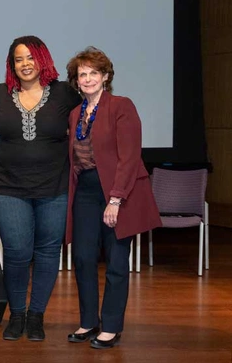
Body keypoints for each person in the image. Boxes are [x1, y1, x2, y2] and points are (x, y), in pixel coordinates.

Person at [65, 47, 161, 349]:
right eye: (83, 74)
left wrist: (116, 199)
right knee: (82, 258)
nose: (88, 78)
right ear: (76, 81)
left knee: (117, 260)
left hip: (119, 191)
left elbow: (130, 157)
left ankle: (111, 326)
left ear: (105, 77)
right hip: (86, 192)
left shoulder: (122, 106)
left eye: (94, 73)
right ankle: (89, 322)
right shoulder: (74, 114)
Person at [0, 35, 82, 341]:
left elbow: (85, 122)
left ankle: (36, 316)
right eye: (18, 59)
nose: (25, 64)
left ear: (42, 60)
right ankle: (16, 315)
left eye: (30, 57)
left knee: (46, 253)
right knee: (16, 252)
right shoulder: (0, 94)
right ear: (11, 65)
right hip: (8, 186)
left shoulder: (64, 94)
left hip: (54, 186)